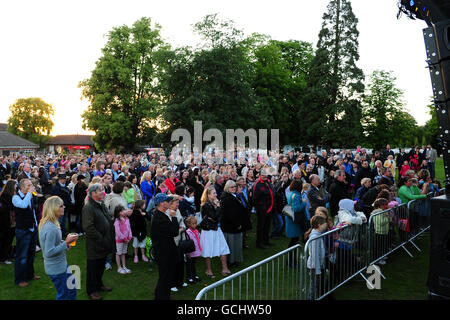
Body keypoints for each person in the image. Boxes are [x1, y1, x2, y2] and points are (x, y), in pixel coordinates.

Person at [38, 196, 78, 300]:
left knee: (72, 287)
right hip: (56, 268)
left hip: (61, 264)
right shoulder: (51, 228)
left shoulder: (49, 223)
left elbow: (52, 242)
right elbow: (48, 252)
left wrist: (64, 243)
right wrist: (65, 243)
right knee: (64, 295)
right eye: (61, 205)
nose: (64, 207)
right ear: (53, 208)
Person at [82, 183, 115, 300]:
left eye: (102, 190)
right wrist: (101, 239)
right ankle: (92, 290)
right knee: (93, 268)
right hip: (95, 244)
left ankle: (99, 284)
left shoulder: (100, 204)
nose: (102, 192)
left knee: (100, 266)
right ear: (93, 193)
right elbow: (88, 227)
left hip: (103, 243)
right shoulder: (88, 207)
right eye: (100, 190)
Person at [12, 178, 41, 287]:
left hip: (32, 229)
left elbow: (32, 211)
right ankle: (19, 280)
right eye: (29, 185)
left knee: (31, 254)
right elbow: (23, 205)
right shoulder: (15, 198)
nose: (31, 187)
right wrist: (30, 194)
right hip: (23, 230)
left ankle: (30, 274)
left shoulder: (30, 195)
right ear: (23, 187)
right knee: (22, 256)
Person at [150, 193, 179, 300]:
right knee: (165, 277)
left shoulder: (160, 215)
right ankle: (161, 297)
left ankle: (162, 296)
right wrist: (174, 217)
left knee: (166, 277)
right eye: (167, 201)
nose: (170, 203)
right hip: (164, 253)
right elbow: (174, 232)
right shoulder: (159, 218)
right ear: (162, 203)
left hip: (165, 251)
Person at [199, 186, 231, 278]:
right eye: (213, 193)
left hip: (217, 229)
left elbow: (219, 217)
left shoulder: (216, 203)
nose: (216, 195)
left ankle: (225, 268)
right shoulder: (205, 205)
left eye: (215, 193)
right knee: (208, 250)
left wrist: (216, 211)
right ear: (208, 195)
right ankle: (208, 270)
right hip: (208, 231)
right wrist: (217, 209)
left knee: (223, 248)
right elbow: (214, 217)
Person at [219, 180, 244, 268]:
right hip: (230, 226)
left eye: (235, 186)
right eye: (232, 187)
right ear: (227, 188)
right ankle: (231, 261)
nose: (234, 188)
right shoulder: (226, 198)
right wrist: (237, 224)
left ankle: (235, 260)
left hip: (235, 225)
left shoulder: (234, 196)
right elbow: (230, 214)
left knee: (236, 244)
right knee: (231, 244)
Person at [168, 196, 188, 292]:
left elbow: (182, 223)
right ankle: (172, 283)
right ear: (171, 204)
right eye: (176, 203)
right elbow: (171, 229)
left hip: (180, 240)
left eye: (178, 203)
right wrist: (179, 229)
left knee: (180, 262)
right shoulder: (167, 213)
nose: (178, 205)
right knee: (173, 263)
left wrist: (182, 228)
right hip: (172, 242)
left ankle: (180, 281)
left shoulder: (178, 211)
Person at [305, 215, 328, 300]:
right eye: (324, 223)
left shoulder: (318, 234)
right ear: (319, 225)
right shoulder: (315, 237)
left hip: (317, 265)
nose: (326, 224)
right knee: (313, 286)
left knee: (315, 285)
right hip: (314, 266)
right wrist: (318, 269)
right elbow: (314, 254)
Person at [252, 168, 275, 249]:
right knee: (261, 227)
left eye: (265, 174)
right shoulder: (257, 185)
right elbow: (255, 199)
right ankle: (259, 242)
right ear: (259, 175)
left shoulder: (268, 182)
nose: (265, 176)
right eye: (263, 175)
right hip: (262, 210)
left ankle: (266, 240)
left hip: (270, 208)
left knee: (267, 225)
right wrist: (259, 209)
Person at [370, 198, 390, 265]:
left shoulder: (383, 211)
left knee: (382, 245)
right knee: (378, 246)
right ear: (381, 205)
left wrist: (388, 218)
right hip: (379, 232)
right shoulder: (378, 212)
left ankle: (381, 256)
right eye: (386, 205)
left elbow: (388, 220)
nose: (387, 206)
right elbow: (380, 222)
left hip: (384, 231)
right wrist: (387, 218)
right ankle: (378, 259)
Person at [0, 180, 16, 265]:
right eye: (15, 185)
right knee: (5, 240)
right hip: (5, 222)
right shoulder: (5, 196)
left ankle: (7, 255)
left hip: (10, 221)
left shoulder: (11, 195)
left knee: (8, 239)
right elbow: (5, 208)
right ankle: (4, 258)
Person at [114, 205, 132, 275]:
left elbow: (129, 229)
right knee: (119, 253)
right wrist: (124, 238)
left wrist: (129, 237)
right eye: (122, 211)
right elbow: (118, 232)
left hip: (126, 239)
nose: (124, 211)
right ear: (119, 213)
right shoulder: (117, 221)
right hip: (120, 240)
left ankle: (124, 266)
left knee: (124, 253)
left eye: (124, 210)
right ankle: (119, 267)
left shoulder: (127, 219)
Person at [185, 215, 202, 284]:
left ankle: (194, 275)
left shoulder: (196, 231)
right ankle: (189, 277)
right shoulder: (188, 232)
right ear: (188, 224)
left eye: (196, 223)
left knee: (194, 264)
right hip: (190, 252)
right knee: (189, 265)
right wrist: (187, 252)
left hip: (195, 251)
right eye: (193, 224)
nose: (195, 225)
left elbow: (199, 240)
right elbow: (187, 243)